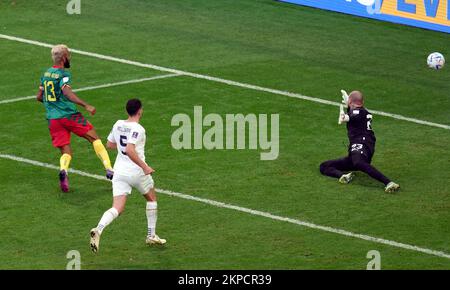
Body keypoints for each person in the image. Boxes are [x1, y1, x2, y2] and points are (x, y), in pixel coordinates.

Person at [89, 98, 166, 253]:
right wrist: (145, 167)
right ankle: (151, 235)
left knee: (117, 207)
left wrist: (121, 144)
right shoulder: (139, 129)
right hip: (137, 171)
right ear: (140, 111)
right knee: (151, 198)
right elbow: (130, 150)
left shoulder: (118, 124)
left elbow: (109, 145)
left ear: (127, 111)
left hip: (119, 171)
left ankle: (99, 228)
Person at [36, 44, 113, 192]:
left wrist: (51, 105)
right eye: (69, 55)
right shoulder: (63, 75)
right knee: (94, 138)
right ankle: (109, 168)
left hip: (53, 119)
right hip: (69, 115)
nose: (70, 58)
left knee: (66, 151)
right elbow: (67, 93)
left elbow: (39, 97)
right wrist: (86, 105)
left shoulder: (46, 74)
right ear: (64, 58)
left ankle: (64, 170)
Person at [319, 90, 400, 193]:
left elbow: (353, 115)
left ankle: (388, 183)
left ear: (351, 102)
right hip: (365, 145)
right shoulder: (363, 111)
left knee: (359, 162)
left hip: (362, 143)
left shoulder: (358, 112)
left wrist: (345, 117)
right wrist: (348, 107)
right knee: (324, 166)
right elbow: (354, 114)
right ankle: (343, 176)